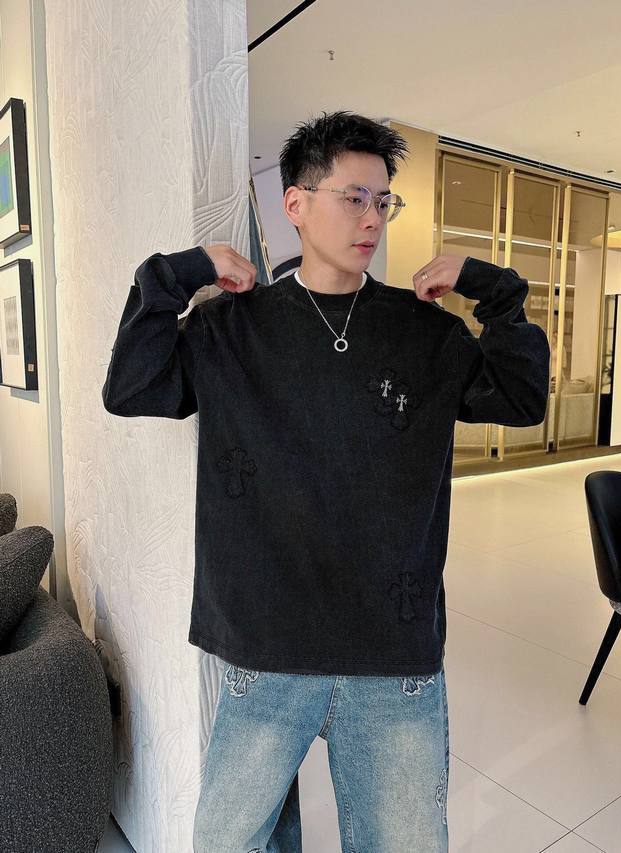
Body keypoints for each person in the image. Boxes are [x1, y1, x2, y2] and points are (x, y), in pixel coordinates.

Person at [102, 110, 550, 852]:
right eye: (353, 197)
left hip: (391, 655)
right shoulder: (231, 328)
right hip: (266, 649)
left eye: (383, 200)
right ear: (296, 204)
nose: (372, 218)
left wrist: (495, 293)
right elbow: (130, 387)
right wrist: (178, 274)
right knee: (225, 842)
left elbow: (523, 398)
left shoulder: (425, 332)